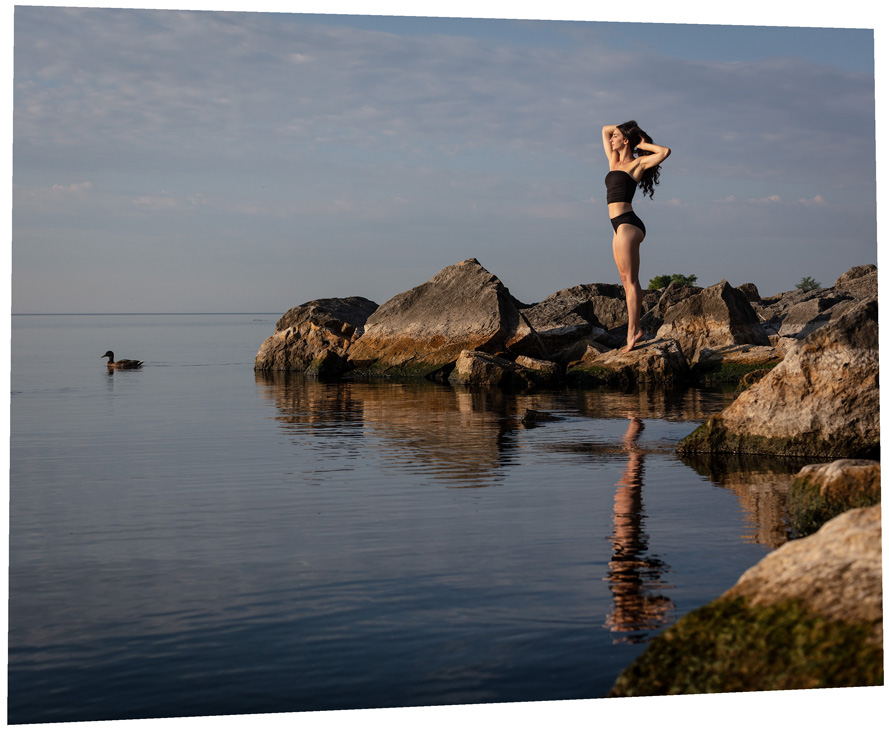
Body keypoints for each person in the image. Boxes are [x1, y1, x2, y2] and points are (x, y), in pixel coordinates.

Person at [601, 121, 671, 353]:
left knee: (630, 282)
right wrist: (623, 127)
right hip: (617, 226)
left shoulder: (637, 164)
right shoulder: (614, 161)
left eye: (617, 136)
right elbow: (604, 129)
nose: (612, 139)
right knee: (626, 280)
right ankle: (635, 328)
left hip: (628, 224)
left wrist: (641, 141)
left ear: (626, 140)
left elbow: (665, 152)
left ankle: (633, 332)